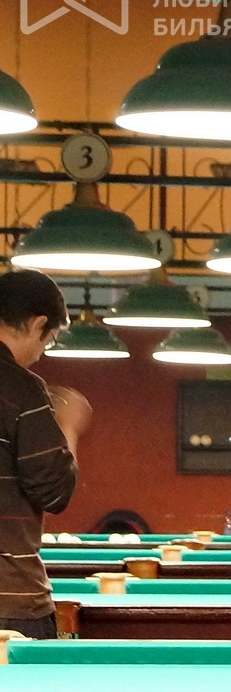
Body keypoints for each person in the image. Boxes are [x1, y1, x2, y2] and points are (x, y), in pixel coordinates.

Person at [0, 270, 90, 639]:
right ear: (38, 324)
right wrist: (67, 426)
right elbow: (54, 492)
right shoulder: (22, 388)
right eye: (49, 340)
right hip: (10, 601)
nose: (41, 354)